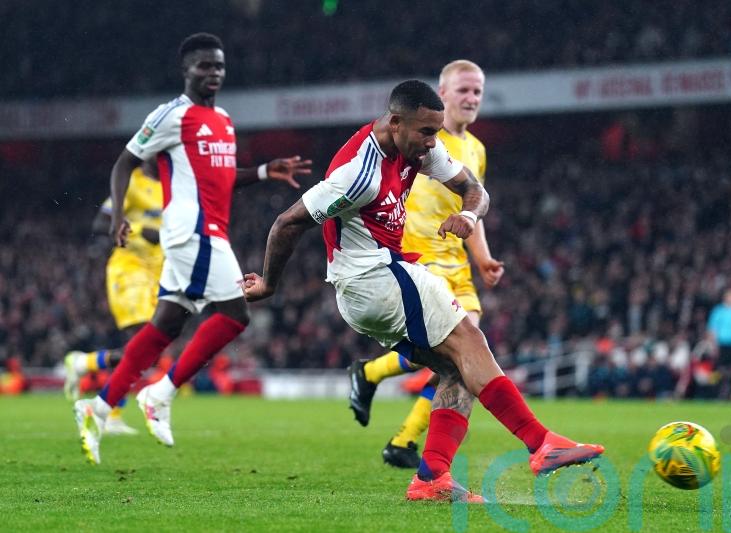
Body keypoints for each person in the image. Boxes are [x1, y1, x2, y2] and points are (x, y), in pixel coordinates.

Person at [242, 80, 603, 502]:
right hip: (374, 279)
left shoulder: (418, 148)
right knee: (470, 339)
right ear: (395, 122)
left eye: (436, 132)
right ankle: (541, 443)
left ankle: (431, 478)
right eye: (426, 132)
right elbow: (287, 222)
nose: (433, 142)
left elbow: (474, 189)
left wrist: (468, 217)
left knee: (457, 369)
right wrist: (269, 283)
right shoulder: (359, 173)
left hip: (379, 281)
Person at [73, 33, 312, 465]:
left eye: (219, 66)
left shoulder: (222, 119)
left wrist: (262, 170)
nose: (213, 73)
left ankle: (99, 405)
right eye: (204, 65)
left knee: (164, 326)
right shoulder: (171, 115)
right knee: (236, 313)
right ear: (186, 70)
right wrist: (116, 218)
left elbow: (221, 178)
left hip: (207, 232)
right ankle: (160, 395)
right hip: (193, 232)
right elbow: (125, 161)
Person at [347, 60, 504, 469]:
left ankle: (375, 384)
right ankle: (405, 439)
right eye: (463, 90)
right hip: (419, 256)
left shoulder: (477, 149)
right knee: (457, 351)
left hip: (457, 263)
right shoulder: (422, 140)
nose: (471, 99)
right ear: (443, 92)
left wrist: (483, 257)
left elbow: (471, 205)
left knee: (458, 355)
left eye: (478, 92)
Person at [64, 158, 163, 436]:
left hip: (159, 273)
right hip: (129, 268)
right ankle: (108, 413)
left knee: (149, 353)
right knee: (141, 342)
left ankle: (85, 364)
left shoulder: (173, 187)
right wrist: (142, 230)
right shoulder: (131, 184)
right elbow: (100, 222)